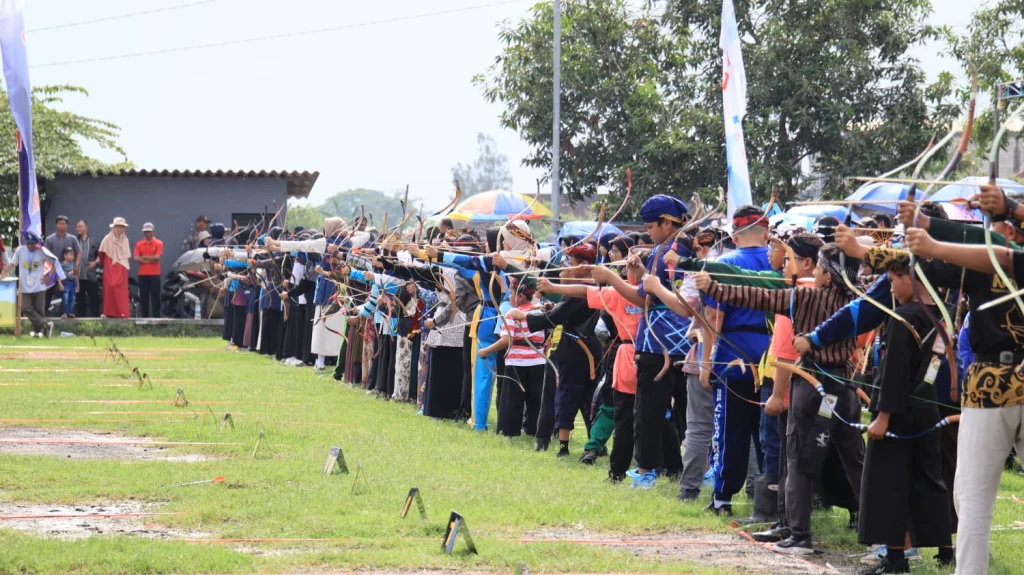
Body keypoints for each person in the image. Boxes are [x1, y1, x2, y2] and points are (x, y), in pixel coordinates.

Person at [0, 232, 61, 337]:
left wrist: (49, 276)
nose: (30, 246)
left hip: (39, 286)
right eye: (28, 243)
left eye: (32, 244)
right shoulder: (20, 250)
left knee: (39, 310)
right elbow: (11, 264)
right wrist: (2, 275)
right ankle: (46, 325)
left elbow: (55, 262)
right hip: (24, 287)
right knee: (25, 307)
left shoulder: (41, 251)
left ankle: (40, 332)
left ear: (36, 243)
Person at [99, 217, 132, 318]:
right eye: (118, 227)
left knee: (121, 290)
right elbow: (101, 253)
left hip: (122, 266)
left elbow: (126, 255)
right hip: (110, 265)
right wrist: (107, 262)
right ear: (113, 227)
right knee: (110, 287)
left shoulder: (125, 240)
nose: (120, 229)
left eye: (122, 227)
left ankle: (122, 312)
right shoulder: (107, 238)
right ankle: (108, 312)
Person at [134, 222, 163, 318]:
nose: (147, 234)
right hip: (142, 274)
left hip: (155, 274)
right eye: (145, 232)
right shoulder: (139, 244)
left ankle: (156, 318)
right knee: (143, 297)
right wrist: (151, 259)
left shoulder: (158, 243)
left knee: (155, 297)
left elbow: (157, 257)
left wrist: (143, 257)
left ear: (153, 232)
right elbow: (136, 258)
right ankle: (144, 318)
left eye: (149, 231)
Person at [75, 220, 100, 317]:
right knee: (80, 301)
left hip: (91, 276)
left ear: (86, 228)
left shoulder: (94, 241)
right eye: (77, 227)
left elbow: (100, 256)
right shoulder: (74, 241)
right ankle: (81, 321)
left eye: (80, 226)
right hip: (78, 277)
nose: (78, 228)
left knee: (94, 300)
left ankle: (96, 321)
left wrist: (95, 262)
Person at [60, 247, 77, 319]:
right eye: (70, 255)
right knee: (65, 297)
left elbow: (76, 275)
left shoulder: (73, 264)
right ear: (65, 255)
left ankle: (70, 312)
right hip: (66, 283)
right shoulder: (62, 265)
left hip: (73, 282)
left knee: (73, 298)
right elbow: (58, 275)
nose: (72, 257)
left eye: (73, 255)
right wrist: (60, 284)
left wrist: (78, 285)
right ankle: (65, 313)